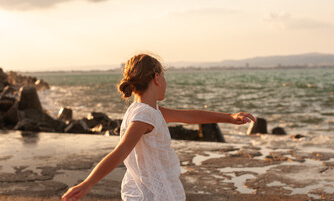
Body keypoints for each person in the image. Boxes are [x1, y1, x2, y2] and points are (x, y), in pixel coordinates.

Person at [61, 53, 256, 201]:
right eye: (164, 76)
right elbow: (120, 152)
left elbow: (188, 115)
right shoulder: (144, 115)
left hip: (154, 187)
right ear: (156, 78)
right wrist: (88, 183)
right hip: (153, 193)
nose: (165, 82)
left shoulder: (148, 111)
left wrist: (229, 117)